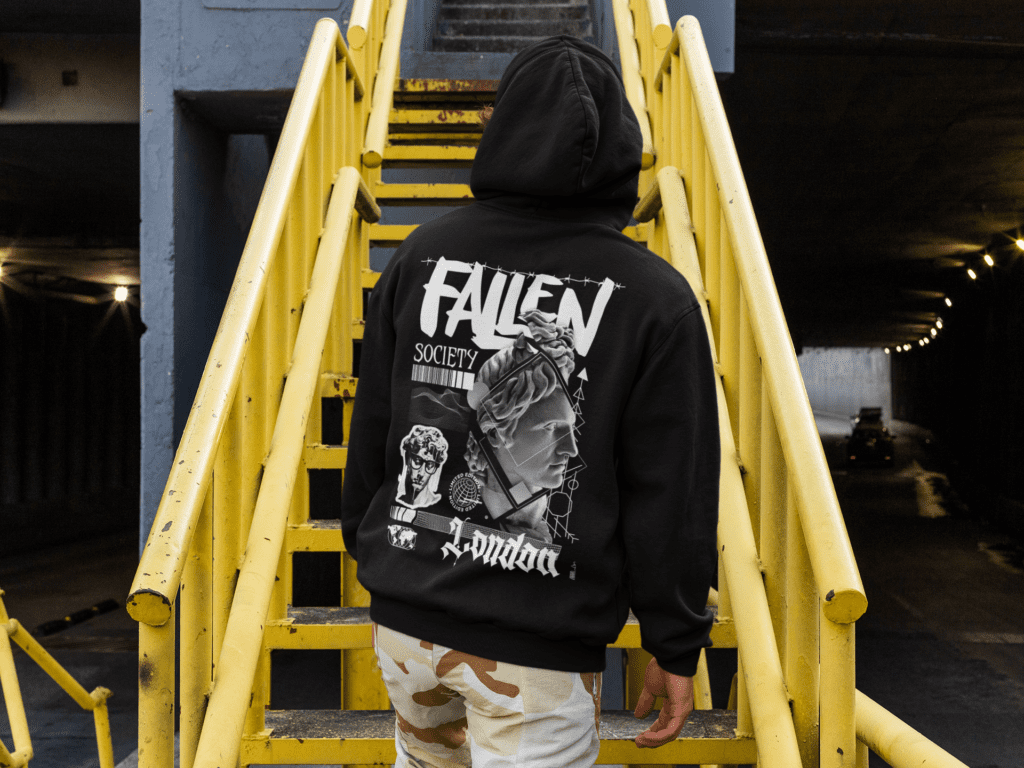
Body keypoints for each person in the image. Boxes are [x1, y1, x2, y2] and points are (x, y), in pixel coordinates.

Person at [341, 34, 720, 768]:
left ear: (502, 127)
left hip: (407, 622)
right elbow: (669, 489)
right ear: (622, 149)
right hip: (538, 651)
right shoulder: (654, 298)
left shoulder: (420, 256)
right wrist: (674, 641)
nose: (567, 445)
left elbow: (376, 424)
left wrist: (377, 550)